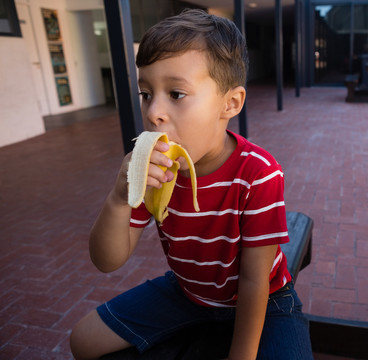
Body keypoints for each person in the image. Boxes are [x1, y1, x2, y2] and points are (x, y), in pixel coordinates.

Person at [69, 8, 313, 360]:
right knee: (84, 341)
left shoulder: (258, 173)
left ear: (230, 104)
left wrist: (240, 355)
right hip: (187, 292)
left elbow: (254, 281)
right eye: (146, 93)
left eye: (176, 94)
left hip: (267, 298)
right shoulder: (154, 172)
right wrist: (118, 199)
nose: (154, 112)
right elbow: (108, 260)